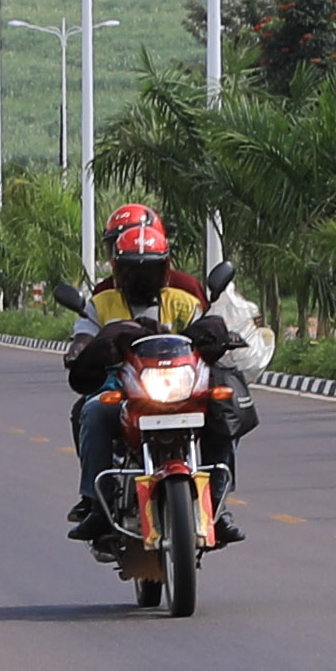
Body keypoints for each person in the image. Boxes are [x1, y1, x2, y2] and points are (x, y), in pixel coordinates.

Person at [58, 201, 253, 544]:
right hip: (122, 381)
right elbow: (84, 335)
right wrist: (80, 349)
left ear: (164, 267)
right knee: (94, 410)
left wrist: (220, 337)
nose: (141, 277)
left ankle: (219, 502)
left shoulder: (183, 296)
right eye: (132, 270)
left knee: (226, 405)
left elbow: (205, 326)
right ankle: (97, 503)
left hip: (181, 381)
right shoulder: (102, 301)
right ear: (118, 268)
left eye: (149, 269)